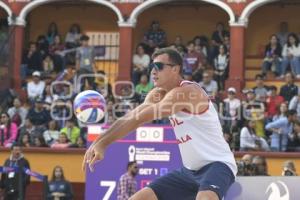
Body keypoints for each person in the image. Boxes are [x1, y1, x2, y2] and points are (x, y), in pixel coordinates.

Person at [83, 48, 237, 200]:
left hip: (218, 165)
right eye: (152, 67)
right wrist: (99, 141)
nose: (153, 71)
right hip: (189, 172)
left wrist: (104, 143)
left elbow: (139, 118)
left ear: (175, 69)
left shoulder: (187, 92)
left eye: (159, 67)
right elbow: (130, 117)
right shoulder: (157, 93)